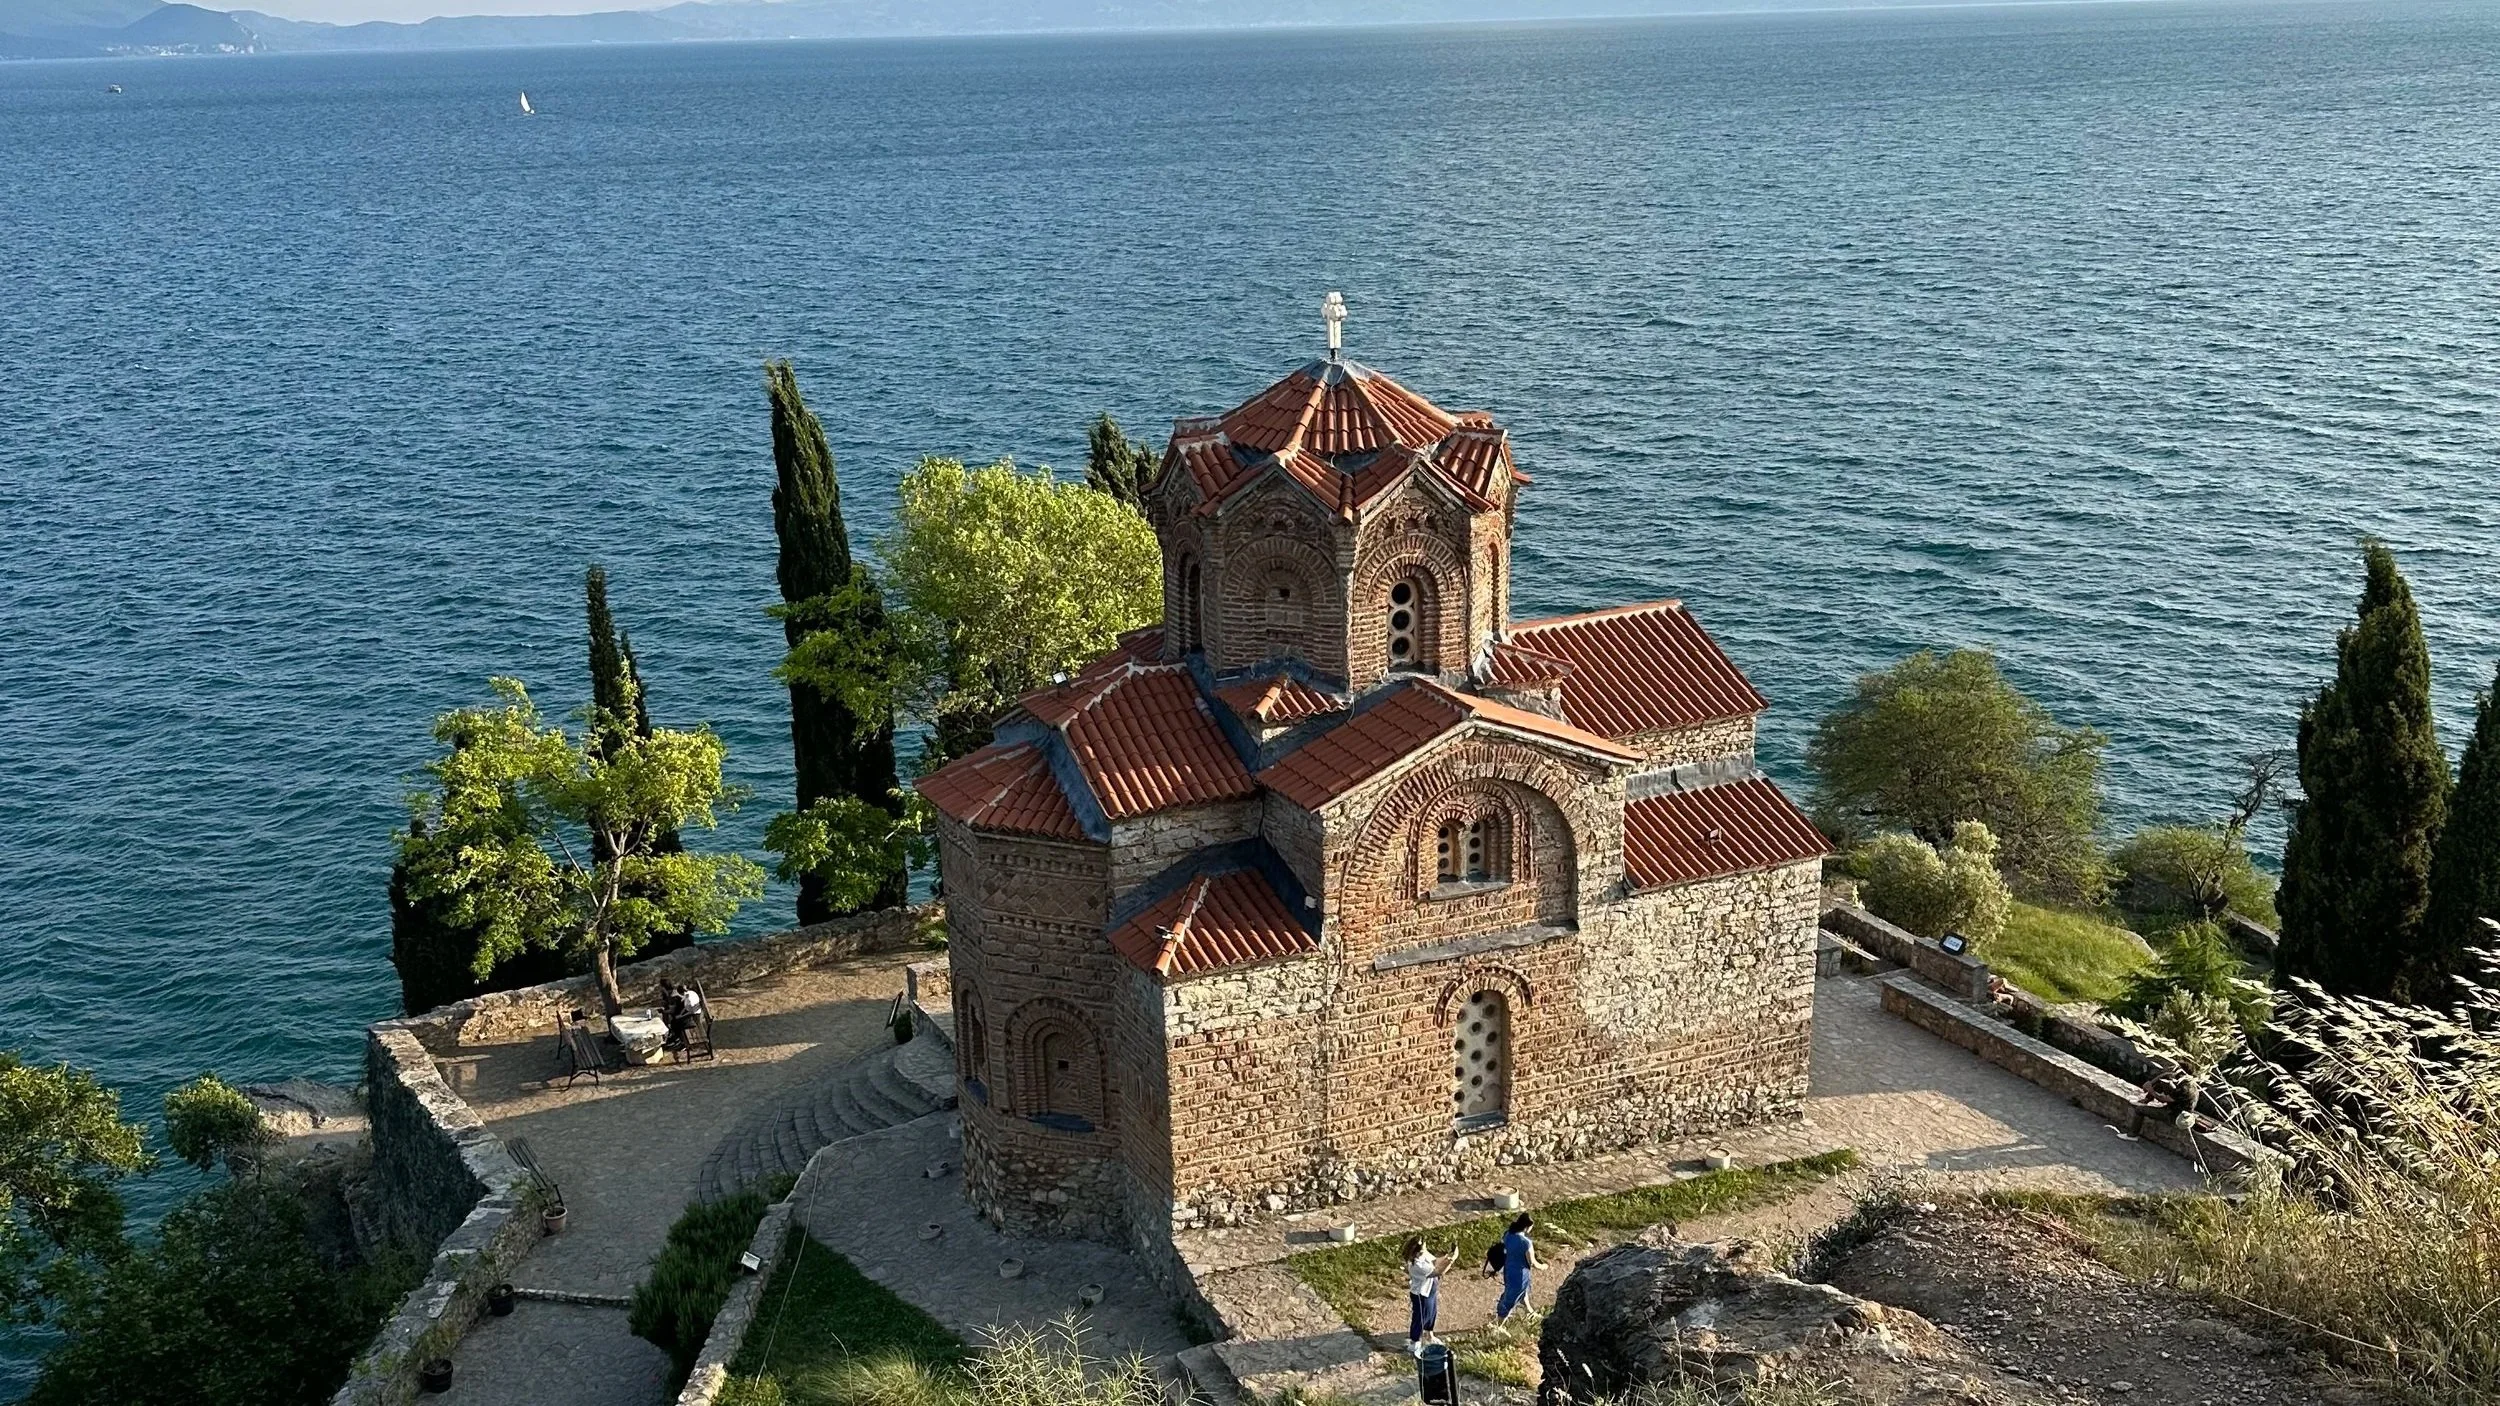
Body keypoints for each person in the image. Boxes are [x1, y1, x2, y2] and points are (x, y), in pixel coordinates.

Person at [1493, 1213, 1539, 1323]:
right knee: (1511, 1299)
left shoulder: (1507, 1234)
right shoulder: (1526, 1243)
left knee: (1522, 1294)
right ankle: (1499, 1325)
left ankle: (1531, 1313)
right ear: (1527, 1226)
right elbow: (1532, 1262)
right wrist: (1543, 1266)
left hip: (1508, 1270)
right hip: (1520, 1275)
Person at [1403, 1236, 1443, 1357]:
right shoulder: (1416, 1265)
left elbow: (1435, 1261)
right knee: (1420, 1317)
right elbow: (1437, 1272)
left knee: (1431, 1313)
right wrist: (1452, 1260)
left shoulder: (1424, 1254)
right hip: (1421, 1294)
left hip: (1430, 1291)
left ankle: (1429, 1335)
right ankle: (1415, 1342)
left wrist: (1447, 1257)